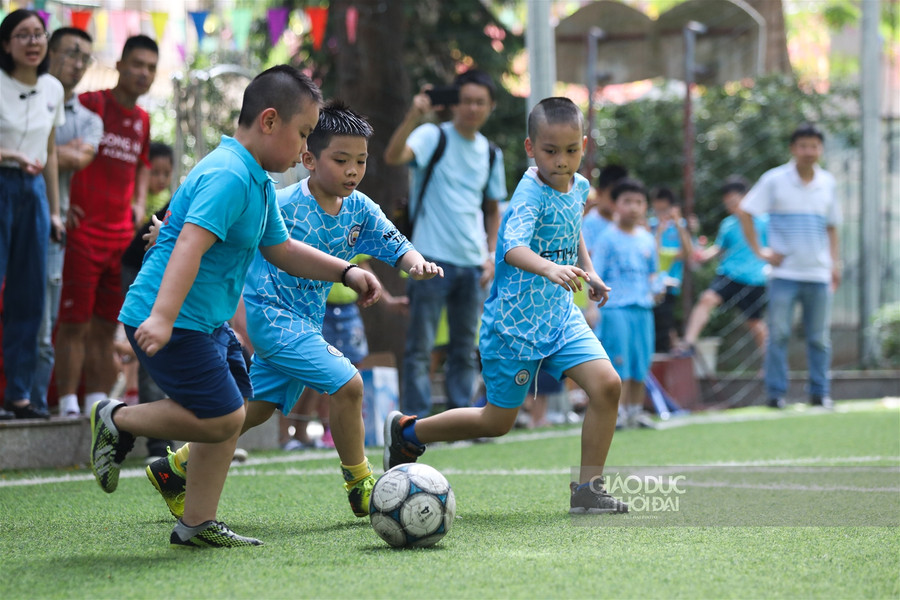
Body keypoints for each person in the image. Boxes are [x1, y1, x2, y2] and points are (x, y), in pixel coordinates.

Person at [88, 66, 383, 549]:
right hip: (172, 318)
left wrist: (345, 271)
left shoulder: (258, 182)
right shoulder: (228, 175)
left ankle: (197, 523)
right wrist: (161, 318)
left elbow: (282, 250)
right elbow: (188, 246)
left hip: (203, 320)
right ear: (269, 121)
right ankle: (117, 420)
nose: (304, 146)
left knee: (238, 408)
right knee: (225, 416)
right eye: (303, 133)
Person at [144, 100, 439, 522]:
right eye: (341, 160)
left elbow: (397, 245)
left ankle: (174, 469)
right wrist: (167, 234)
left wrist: (417, 265)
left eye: (361, 161)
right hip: (271, 317)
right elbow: (214, 227)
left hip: (305, 322)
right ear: (309, 159)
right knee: (348, 384)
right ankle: (360, 485)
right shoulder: (277, 202)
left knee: (257, 408)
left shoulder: (361, 210)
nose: (353, 170)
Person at [383, 97, 627, 514]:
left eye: (571, 150)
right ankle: (410, 431)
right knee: (496, 422)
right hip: (514, 324)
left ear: (583, 145)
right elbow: (511, 247)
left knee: (607, 385)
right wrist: (550, 268)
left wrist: (588, 270)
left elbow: (574, 227)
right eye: (551, 151)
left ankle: (587, 489)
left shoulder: (580, 186)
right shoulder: (530, 193)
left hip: (560, 316)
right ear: (531, 148)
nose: (562, 161)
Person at [384, 69, 507, 417]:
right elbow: (393, 156)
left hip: (472, 263)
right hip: (429, 259)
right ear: (454, 103)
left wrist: (490, 255)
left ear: (490, 107)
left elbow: (492, 208)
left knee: (466, 348)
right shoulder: (431, 135)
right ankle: (414, 423)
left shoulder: (491, 153)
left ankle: (459, 420)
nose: (472, 108)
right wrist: (413, 115)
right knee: (420, 347)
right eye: (466, 100)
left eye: (480, 102)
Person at [55, 35, 158, 418]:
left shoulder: (143, 120)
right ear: (119, 64)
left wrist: (137, 204)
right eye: (137, 64)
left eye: (150, 67)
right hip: (82, 235)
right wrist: (62, 204)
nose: (143, 73)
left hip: (119, 239)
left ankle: (94, 404)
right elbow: (57, 147)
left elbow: (143, 164)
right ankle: (66, 404)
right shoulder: (90, 104)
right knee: (74, 322)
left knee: (104, 326)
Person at [738, 123, 841, 409]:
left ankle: (820, 393)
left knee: (819, 338)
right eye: (803, 146)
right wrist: (760, 250)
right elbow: (746, 211)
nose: (809, 151)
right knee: (778, 335)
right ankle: (775, 394)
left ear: (820, 149)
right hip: (784, 274)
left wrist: (835, 263)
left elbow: (832, 227)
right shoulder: (774, 180)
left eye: (814, 146)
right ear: (793, 149)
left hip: (819, 274)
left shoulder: (828, 183)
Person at [29, 26, 104, 416]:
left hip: (54, 225)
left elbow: (79, 157)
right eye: (70, 53)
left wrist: (33, 148)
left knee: (47, 318)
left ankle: (37, 403)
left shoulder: (89, 119)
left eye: (84, 57)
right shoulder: (19, 98)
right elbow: (59, 157)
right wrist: (56, 151)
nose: (77, 64)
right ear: (49, 52)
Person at [0, 9, 65, 420]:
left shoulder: (53, 88)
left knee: (29, 296)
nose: (33, 42)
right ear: (6, 44)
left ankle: (19, 394)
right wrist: (9, 154)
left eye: (39, 34)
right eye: (22, 35)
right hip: (2, 183)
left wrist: (55, 211)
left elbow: (52, 150)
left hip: (35, 194)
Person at [590, 178, 662, 429]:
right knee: (617, 362)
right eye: (627, 201)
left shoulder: (647, 238)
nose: (633, 207)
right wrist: (592, 308)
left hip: (643, 308)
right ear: (615, 205)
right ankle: (616, 413)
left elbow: (653, 272)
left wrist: (658, 287)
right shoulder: (606, 239)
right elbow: (595, 274)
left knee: (641, 361)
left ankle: (635, 411)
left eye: (639, 202)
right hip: (615, 308)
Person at [119, 142, 174, 458]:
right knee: (153, 349)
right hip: (140, 273)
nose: (162, 178)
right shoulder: (157, 210)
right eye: (157, 172)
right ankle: (157, 444)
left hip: (163, 276)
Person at [675, 176, 768, 358]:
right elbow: (719, 248)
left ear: (747, 197)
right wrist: (702, 256)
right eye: (728, 204)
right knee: (707, 299)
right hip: (729, 274)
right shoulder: (728, 224)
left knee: (755, 323)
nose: (731, 207)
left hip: (755, 278)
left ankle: (769, 364)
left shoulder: (764, 222)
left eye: (734, 201)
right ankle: (688, 343)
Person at [648, 187, 693, 353]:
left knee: (665, 325)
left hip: (670, 285)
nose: (660, 214)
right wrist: (659, 231)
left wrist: (679, 223)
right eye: (657, 210)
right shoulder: (650, 227)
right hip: (651, 285)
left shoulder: (680, 226)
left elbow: (688, 253)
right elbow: (653, 255)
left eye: (664, 210)